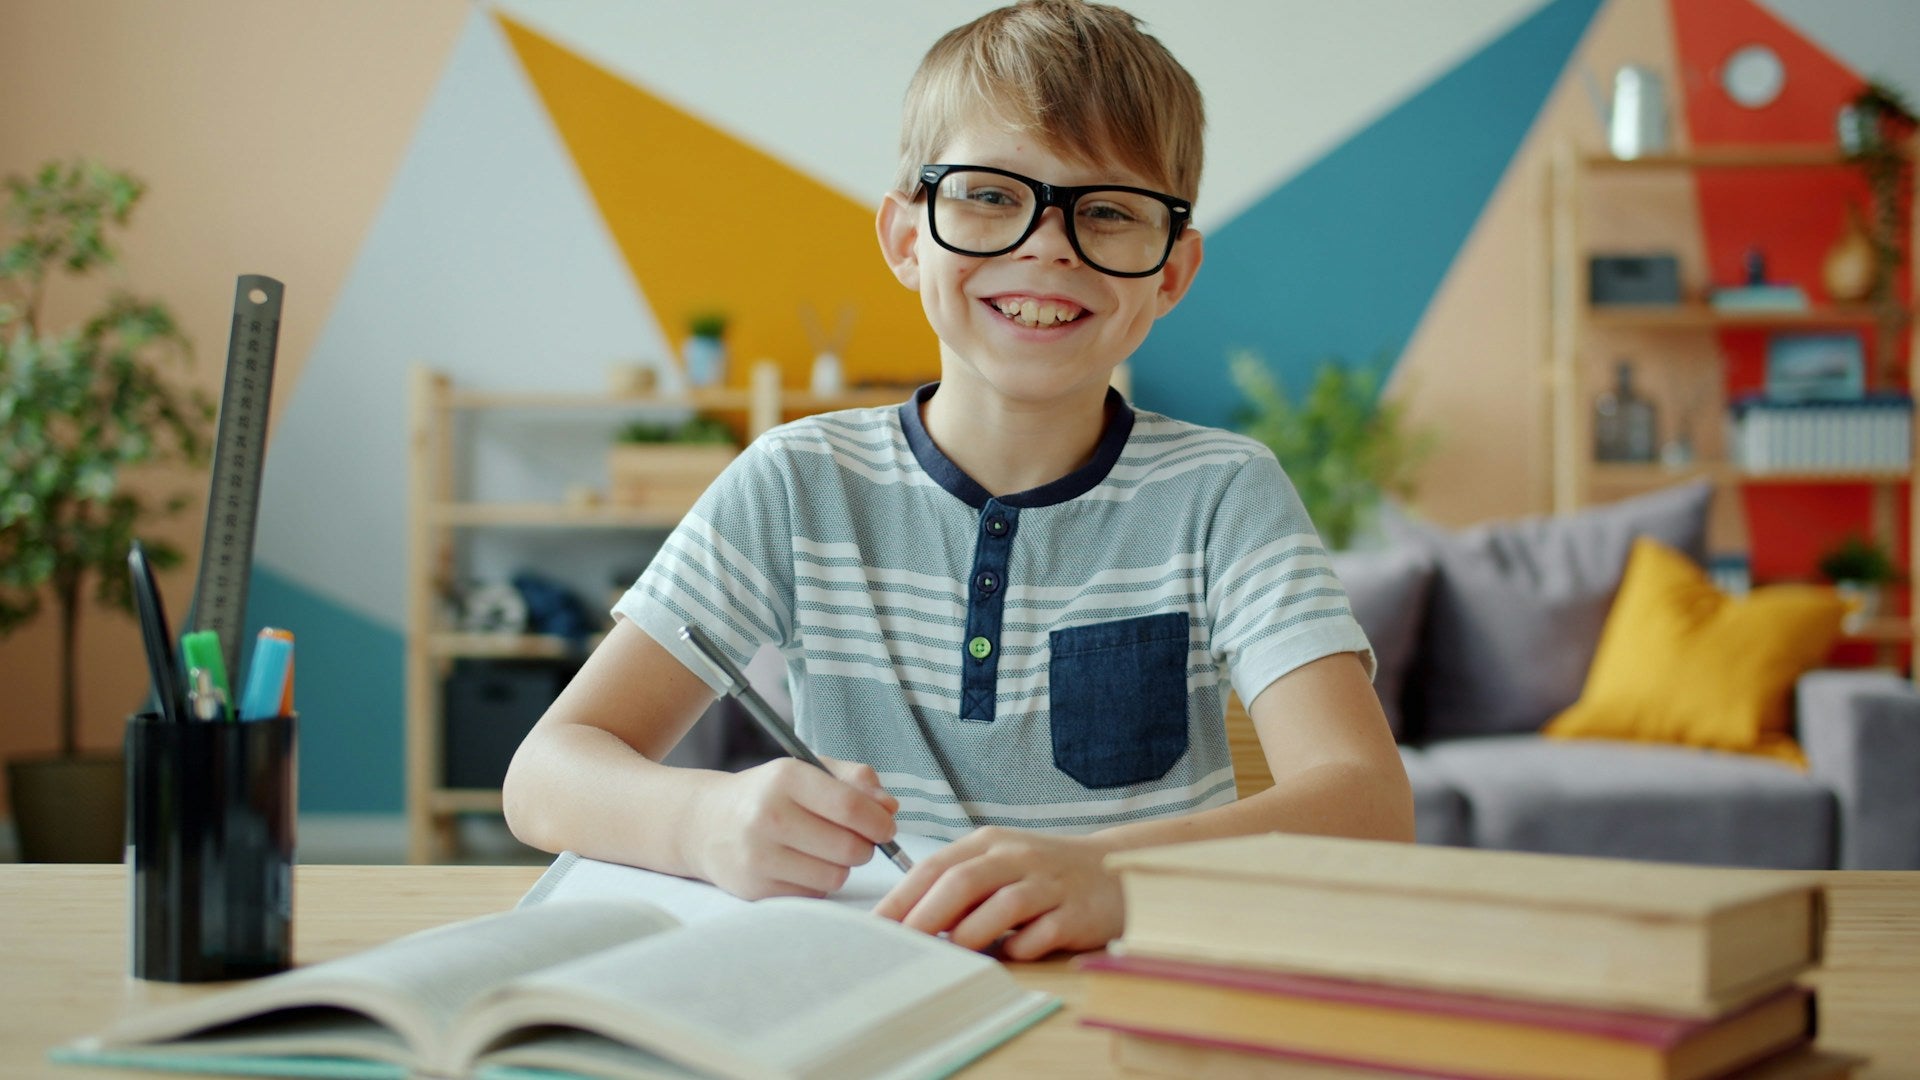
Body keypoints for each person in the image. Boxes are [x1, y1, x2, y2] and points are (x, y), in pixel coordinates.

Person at [503, 0, 1413, 961]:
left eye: (1108, 210)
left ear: (1172, 271)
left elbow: (1368, 802)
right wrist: (705, 818)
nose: (1049, 245)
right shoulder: (794, 483)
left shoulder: (1224, 494)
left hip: (1135, 997)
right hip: (871, 984)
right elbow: (546, 776)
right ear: (905, 237)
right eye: (988, 195)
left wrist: (1116, 878)